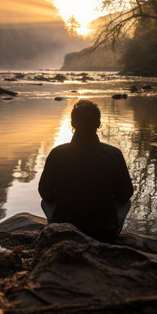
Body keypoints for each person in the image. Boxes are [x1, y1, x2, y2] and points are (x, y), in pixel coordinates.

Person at [38, 99, 133, 243]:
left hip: (65, 231)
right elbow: (125, 194)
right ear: (99, 124)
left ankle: (57, 227)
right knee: (125, 203)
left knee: (46, 201)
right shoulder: (114, 154)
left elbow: (45, 193)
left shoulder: (57, 154)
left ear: (73, 124)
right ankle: (107, 230)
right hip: (104, 233)